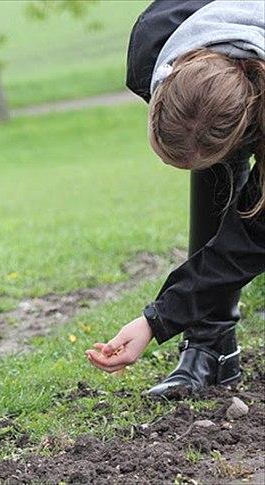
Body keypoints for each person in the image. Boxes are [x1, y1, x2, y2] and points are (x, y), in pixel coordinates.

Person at [85, 0, 265, 398]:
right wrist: (156, 321)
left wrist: (156, 318)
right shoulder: (152, 50)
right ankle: (210, 349)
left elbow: (252, 240)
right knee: (213, 166)